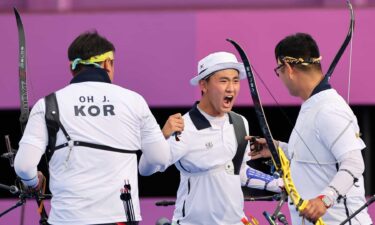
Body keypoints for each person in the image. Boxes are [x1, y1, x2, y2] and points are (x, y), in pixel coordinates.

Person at [14, 31, 171, 225]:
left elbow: (23, 166)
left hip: (68, 220)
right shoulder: (134, 100)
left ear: (72, 68)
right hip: (120, 218)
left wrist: (32, 182)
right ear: (107, 63)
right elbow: (160, 158)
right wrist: (144, 168)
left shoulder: (48, 103)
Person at [139, 51, 283, 225]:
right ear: (203, 85)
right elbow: (145, 170)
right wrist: (161, 137)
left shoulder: (240, 123)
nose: (231, 88)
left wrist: (277, 183)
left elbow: (238, 172)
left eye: (235, 80)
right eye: (223, 81)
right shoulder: (185, 127)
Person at [250, 33, 372, 224]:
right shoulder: (312, 106)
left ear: (288, 68)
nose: (280, 77)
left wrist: (325, 199)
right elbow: (316, 158)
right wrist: (278, 148)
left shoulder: (329, 109)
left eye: (278, 70)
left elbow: (354, 163)